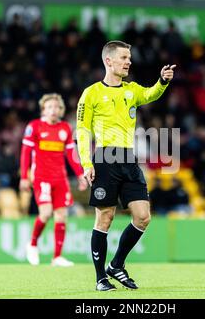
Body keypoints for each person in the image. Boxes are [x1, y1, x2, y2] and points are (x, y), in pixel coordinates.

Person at [76, 40, 175, 291]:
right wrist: (86, 163)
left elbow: (152, 93)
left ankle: (117, 264)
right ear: (108, 61)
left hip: (128, 159)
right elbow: (83, 130)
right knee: (105, 218)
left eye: (129, 57)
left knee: (143, 217)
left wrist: (162, 81)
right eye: (123, 57)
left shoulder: (132, 90)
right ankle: (100, 279)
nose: (128, 61)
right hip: (105, 159)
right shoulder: (91, 93)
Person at [20, 93, 88, 267]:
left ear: (61, 110)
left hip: (60, 178)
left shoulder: (65, 128)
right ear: (43, 109)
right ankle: (33, 244)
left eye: (56, 107)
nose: (53, 110)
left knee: (62, 216)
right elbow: (26, 153)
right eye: (49, 107)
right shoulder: (34, 126)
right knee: (45, 213)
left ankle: (57, 257)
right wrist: (24, 177)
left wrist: (80, 174)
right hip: (41, 177)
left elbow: (72, 156)